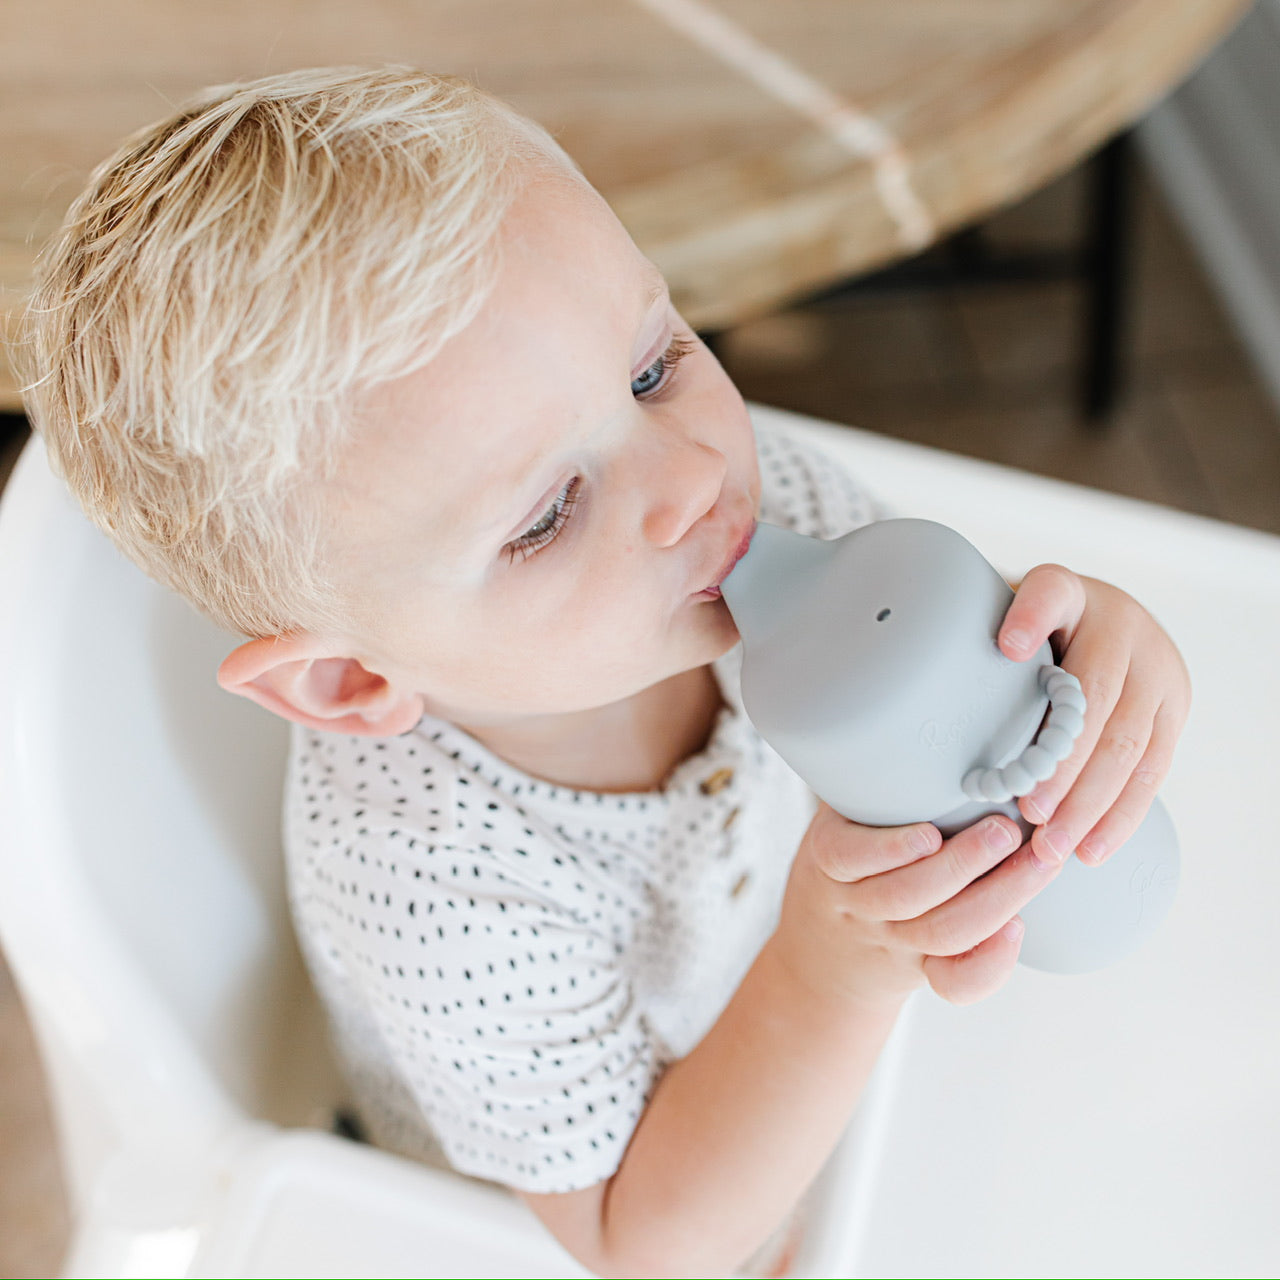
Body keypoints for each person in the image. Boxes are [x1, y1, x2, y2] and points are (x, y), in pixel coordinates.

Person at [20, 66, 1190, 1277]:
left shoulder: (750, 507)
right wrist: (829, 969)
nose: (688, 475)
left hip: (825, 1008)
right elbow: (641, 1240)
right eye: (545, 516)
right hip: (583, 1191)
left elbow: (957, 679)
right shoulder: (435, 890)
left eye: (651, 367)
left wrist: (1081, 650)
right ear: (351, 685)